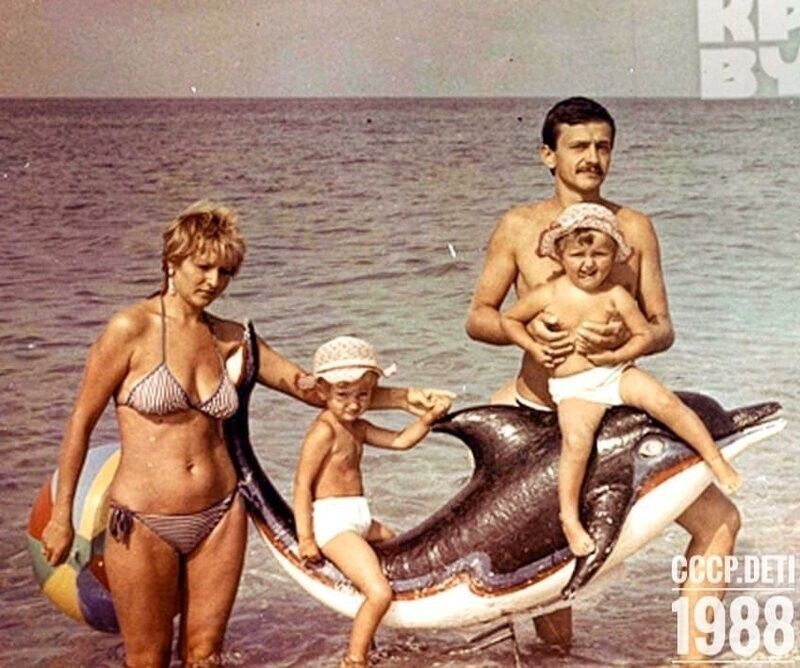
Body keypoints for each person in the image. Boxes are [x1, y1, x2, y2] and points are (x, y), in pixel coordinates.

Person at [40, 201, 455, 668]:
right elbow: (80, 423)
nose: (213, 282)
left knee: (205, 655)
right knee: (147, 658)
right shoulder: (130, 330)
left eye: (225, 272)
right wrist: (61, 517)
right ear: (172, 260)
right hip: (143, 518)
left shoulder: (234, 338)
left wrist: (403, 398)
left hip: (220, 515)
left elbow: (312, 389)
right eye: (203, 267)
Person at [465, 97, 742, 660]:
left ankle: (693, 658)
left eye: (603, 146)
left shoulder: (635, 228)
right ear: (548, 155)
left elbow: (663, 327)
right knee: (548, 583)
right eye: (578, 146)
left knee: (720, 520)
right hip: (537, 411)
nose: (592, 157)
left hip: (615, 409)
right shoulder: (518, 226)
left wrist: (624, 339)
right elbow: (479, 317)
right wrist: (528, 333)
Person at [500, 202, 742, 556]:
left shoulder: (616, 295)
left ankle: (715, 460)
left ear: (614, 256)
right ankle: (569, 517)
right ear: (560, 256)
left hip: (616, 374)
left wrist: (616, 355)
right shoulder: (548, 293)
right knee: (576, 442)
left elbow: (645, 334)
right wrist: (534, 347)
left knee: (665, 402)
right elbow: (509, 320)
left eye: (599, 254)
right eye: (577, 254)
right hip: (574, 387)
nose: (588, 263)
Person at [293, 336, 451, 668]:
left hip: (358, 517)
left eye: (363, 395)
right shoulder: (324, 431)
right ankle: (355, 658)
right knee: (379, 591)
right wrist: (306, 538)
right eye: (343, 395)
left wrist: (427, 419)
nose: (353, 404)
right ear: (322, 391)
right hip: (333, 525)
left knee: (399, 546)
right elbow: (302, 485)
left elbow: (400, 441)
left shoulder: (359, 427)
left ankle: (387, 626)